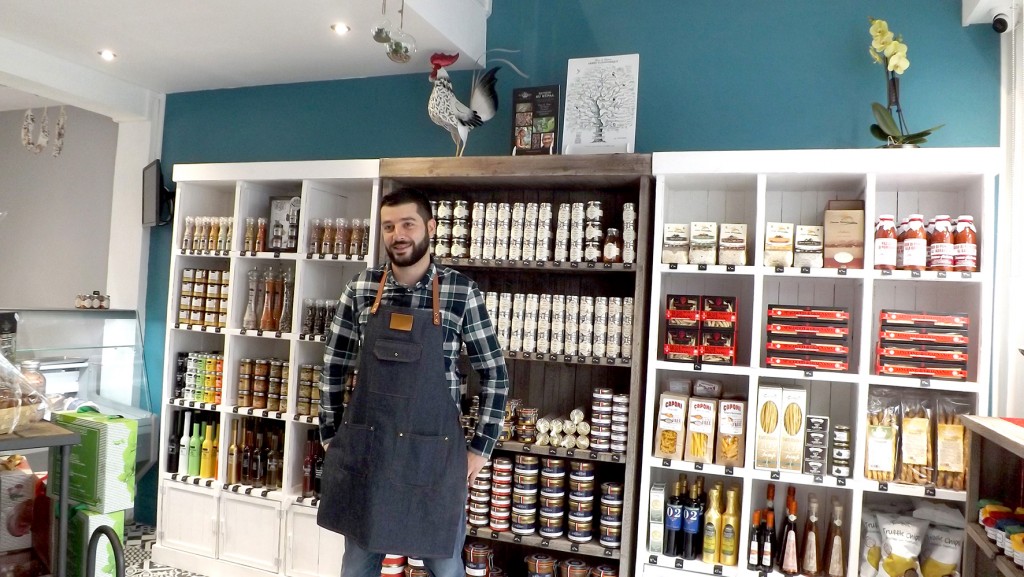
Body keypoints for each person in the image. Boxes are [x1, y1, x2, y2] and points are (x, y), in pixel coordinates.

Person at [316, 187, 509, 577]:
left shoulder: (461, 292)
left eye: (408, 224)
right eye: (389, 227)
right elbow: (333, 365)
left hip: (433, 457)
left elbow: (494, 373)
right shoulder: (360, 289)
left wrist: (480, 449)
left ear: (430, 228)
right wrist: (330, 434)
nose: (398, 235)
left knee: (445, 566)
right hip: (370, 451)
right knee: (357, 565)